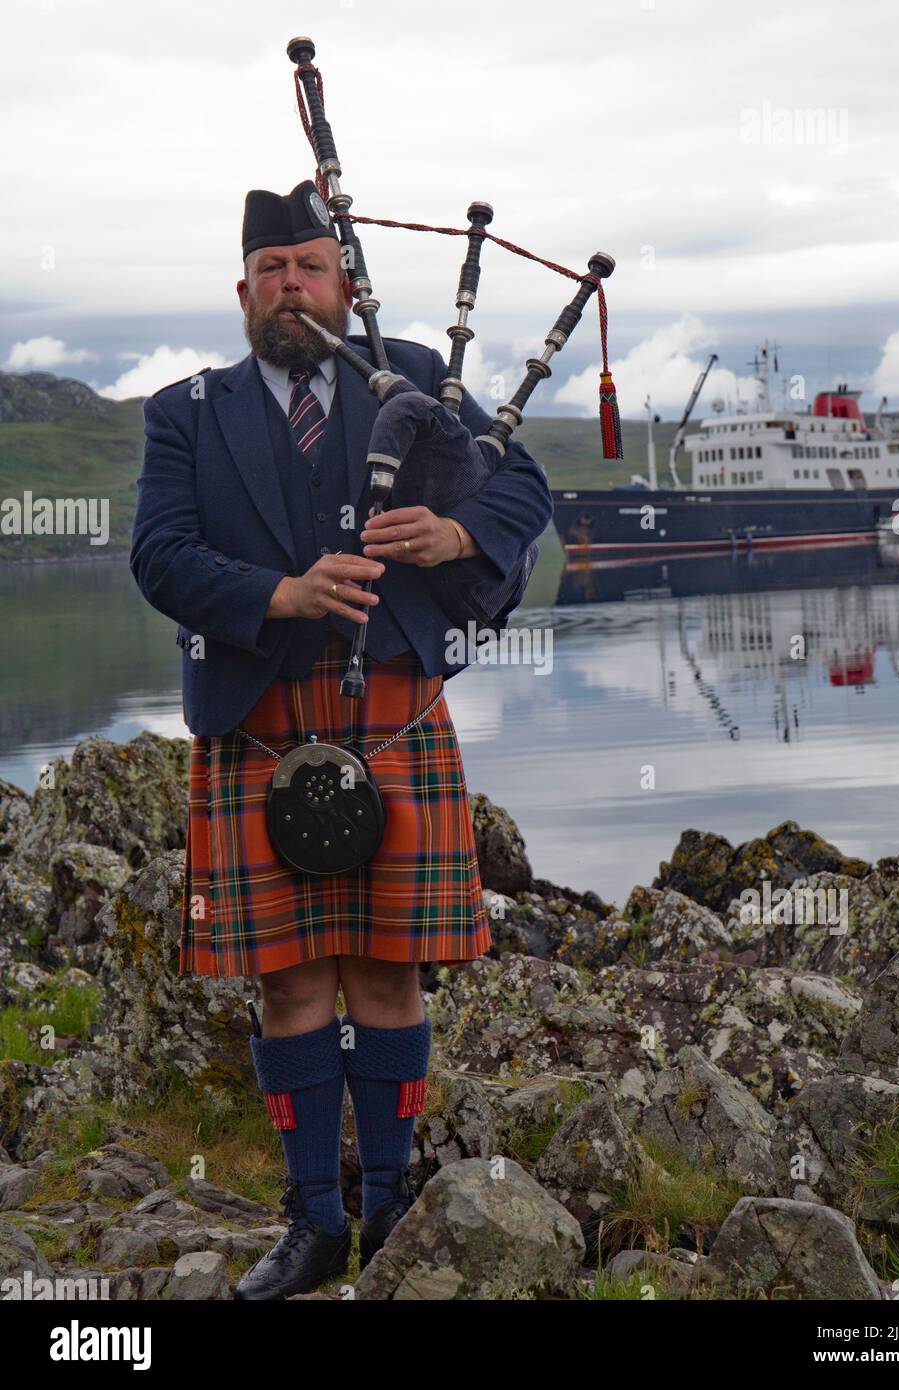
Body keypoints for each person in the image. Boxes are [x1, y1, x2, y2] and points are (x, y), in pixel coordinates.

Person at [129, 179, 552, 1299]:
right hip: (258, 720)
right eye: (270, 271)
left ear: (343, 283)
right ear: (242, 291)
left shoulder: (412, 378)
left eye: (309, 267)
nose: (290, 287)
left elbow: (525, 497)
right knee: (287, 980)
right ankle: (313, 1219)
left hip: (394, 707)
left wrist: (456, 528)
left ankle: (392, 1198)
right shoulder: (187, 409)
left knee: (386, 969)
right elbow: (159, 556)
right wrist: (279, 592)